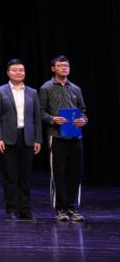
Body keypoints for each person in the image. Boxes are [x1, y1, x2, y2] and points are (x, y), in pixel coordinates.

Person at [0, 59, 42, 220]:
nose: (18, 72)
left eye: (21, 70)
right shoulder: (0, 91)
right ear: (8, 73)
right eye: (14, 70)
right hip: (7, 138)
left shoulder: (32, 92)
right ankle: (12, 208)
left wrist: (38, 139)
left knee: (26, 176)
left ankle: (25, 209)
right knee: (10, 176)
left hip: (27, 137)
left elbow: (37, 117)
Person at [39, 55, 88, 222]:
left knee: (76, 173)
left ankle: (73, 208)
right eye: (60, 66)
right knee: (58, 174)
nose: (64, 68)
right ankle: (60, 208)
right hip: (57, 136)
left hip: (75, 135)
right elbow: (41, 112)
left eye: (66, 66)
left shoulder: (75, 88)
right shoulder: (46, 88)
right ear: (53, 68)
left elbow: (83, 110)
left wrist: (83, 120)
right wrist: (53, 119)